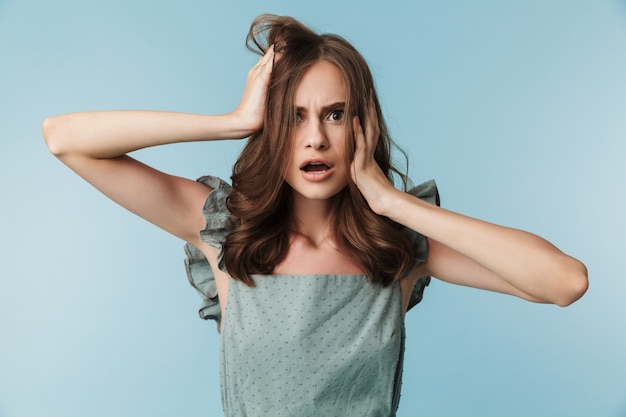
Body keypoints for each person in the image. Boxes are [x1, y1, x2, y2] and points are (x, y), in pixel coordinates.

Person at [42, 14, 588, 417]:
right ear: (272, 127)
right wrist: (233, 121)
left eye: (334, 114)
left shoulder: (397, 248)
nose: (315, 139)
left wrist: (393, 203)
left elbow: (565, 282)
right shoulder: (225, 232)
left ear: (361, 125)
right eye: (293, 116)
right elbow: (65, 139)